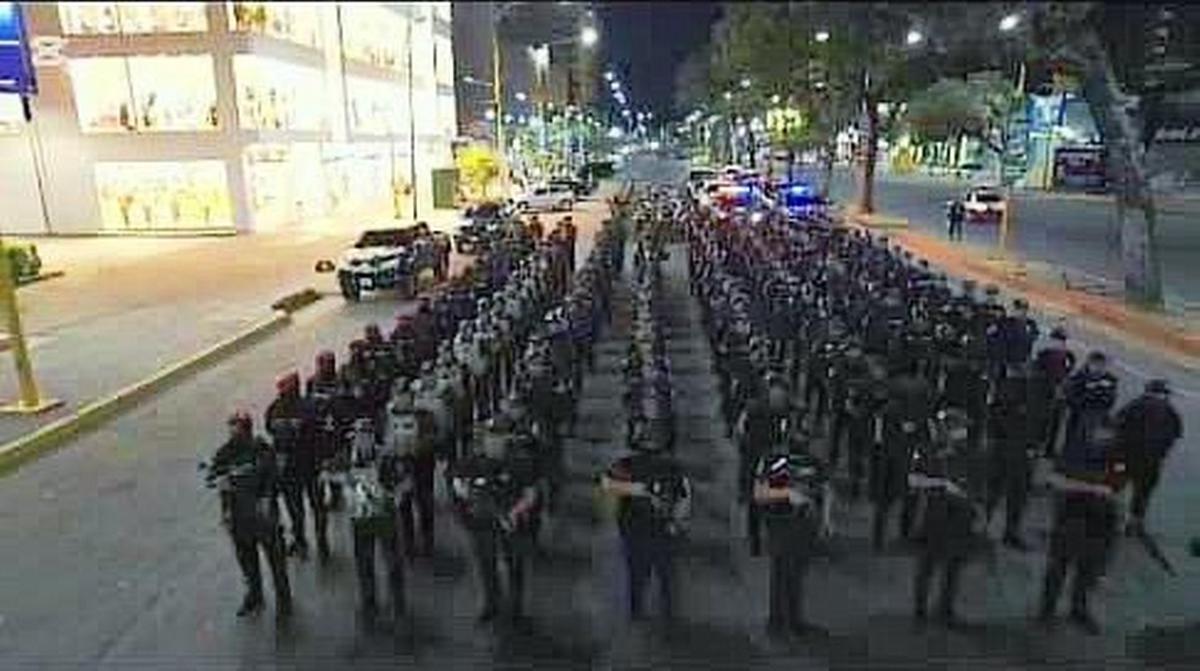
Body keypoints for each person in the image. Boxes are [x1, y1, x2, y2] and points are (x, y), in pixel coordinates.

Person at [450, 417, 541, 625]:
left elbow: (531, 493)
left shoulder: (520, 461)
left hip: (512, 523)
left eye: (498, 437)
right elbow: (457, 478)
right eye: (490, 437)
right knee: (486, 564)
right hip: (482, 523)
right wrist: (465, 493)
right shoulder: (474, 459)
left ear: (507, 438)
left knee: (514, 565)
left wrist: (515, 513)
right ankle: (492, 603)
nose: (493, 442)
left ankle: (516, 608)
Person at [601, 423, 692, 622]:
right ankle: (643, 611)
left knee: (655, 574)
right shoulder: (630, 464)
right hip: (640, 527)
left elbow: (683, 497)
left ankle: (657, 612)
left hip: (652, 528)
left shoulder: (670, 468)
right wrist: (642, 490)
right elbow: (609, 484)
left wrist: (676, 521)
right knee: (647, 573)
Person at [205, 411, 292, 619]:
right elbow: (213, 477)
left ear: (247, 429)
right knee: (247, 561)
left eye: (238, 428)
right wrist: (220, 488)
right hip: (239, 516)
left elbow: (276, 479)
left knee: (276, 561)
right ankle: (255, 595)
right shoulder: (225, 453)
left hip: (263, 516)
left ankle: (284, 600)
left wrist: (266, 497)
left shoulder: (262, 450)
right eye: (231, 427)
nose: (233, 432)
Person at [909, 406, 983, 627]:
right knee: (927, 565)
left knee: (954, 567)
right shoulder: (927, 450)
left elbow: (979, 486)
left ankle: (945, 608)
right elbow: (913, 480)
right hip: (935, 515)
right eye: (959, 428)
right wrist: (942, 484)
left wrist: (979, 513)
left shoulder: (973, 453)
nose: (963, 432)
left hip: (962, 517)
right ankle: (920, 609)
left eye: (964, 428)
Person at [753, 432, 833, 637]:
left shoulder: (814, 462)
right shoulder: (777, 462)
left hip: (805, 525)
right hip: (781, 523)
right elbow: (760, 493)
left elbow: (826, 489)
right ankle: (779, 621)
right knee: (782, 573)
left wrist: (825, 520)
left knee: (796, 574)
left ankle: (792, 620)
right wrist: (787, 494)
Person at [347, 405, 406, 623]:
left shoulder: (386, 458)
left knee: (392, 561)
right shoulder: (347, 458)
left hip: (384, 517)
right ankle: (368, 599)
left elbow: (404, 482)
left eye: (366, 435)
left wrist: (394, 496)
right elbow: (329, 473)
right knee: (363, 562)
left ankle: (398, 600)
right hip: (360, 519)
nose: (362, 440)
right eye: (359, 436)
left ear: (373, 436)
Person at [265, 372, 327, 560]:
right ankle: (303, 540)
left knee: (311, 506)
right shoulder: (278, 408)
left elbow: (317, 433)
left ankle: (316, 539)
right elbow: (270, 428)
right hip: (294, 468)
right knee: (299, 507)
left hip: (307, 465)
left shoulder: (305, 407)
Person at [1115, 379, 1183, 536]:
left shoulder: (1136, 404)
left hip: (1125, 458)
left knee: (1117, 483)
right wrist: (1162, 453)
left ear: (1148, 390)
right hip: (1152, 462)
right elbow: (1176, 435)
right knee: (1143, 492)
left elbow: (1117, 422)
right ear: (1165, 395)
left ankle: (1115, 517)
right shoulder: (1171, 412)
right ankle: (1134, 521)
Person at [1060, 351, 1118, 475]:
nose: (1098, 367)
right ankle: (1066, 466)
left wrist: (1098, 395)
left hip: (1096, 416)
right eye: (1096, 363)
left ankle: (1081, 468)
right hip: (1079, 414)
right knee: (1072, 440)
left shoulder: (1110, 379)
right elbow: (1069, 392)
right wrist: (1083, 399)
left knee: (1089, 442)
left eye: (1101, 364)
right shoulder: (1081, 375)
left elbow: (1110, 399)